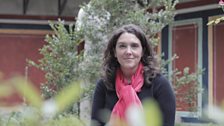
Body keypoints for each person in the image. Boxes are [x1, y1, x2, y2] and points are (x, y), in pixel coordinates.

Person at [91, 24, 176, 126]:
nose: (128, 51)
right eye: (122, 46)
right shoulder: (105, 84)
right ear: (114, 52)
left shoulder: (159, 84)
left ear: (143, 51)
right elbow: (96, 123)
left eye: (134, 46)